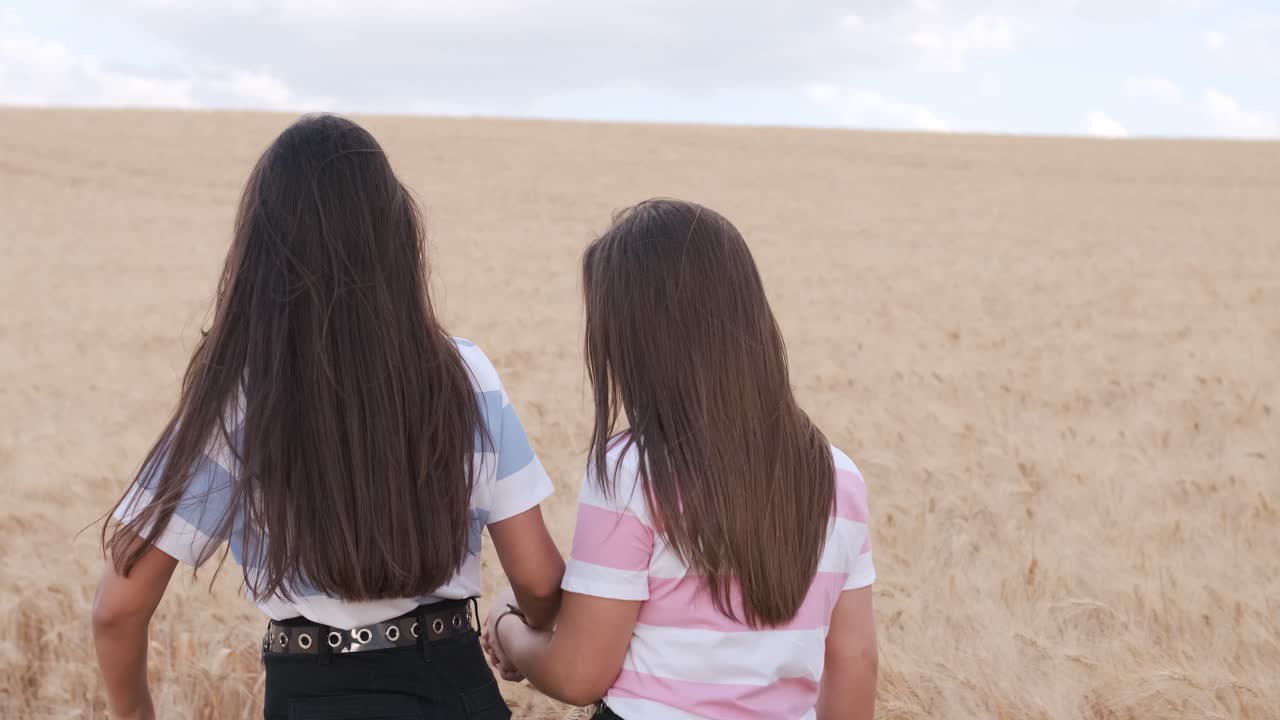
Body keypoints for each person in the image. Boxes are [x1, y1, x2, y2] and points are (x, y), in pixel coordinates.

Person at [92, 114, 565, 720]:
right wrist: (514, 622)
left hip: (311, 696)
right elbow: (542, 583)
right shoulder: (466, 374)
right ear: (396, 234)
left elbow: (116, 608)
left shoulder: (243, 394)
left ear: (260, 249)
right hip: (455, 688)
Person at [482, 199, 878, 720]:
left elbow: (579, 674)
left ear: (637, 342)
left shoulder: (634, 471)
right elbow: (856, 663)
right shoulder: (837, 478)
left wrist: (509, 633)